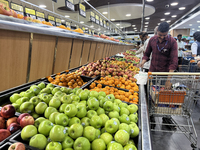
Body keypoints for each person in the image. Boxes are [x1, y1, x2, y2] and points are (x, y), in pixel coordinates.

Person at [138, 22, 178, 89]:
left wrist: (168, 80)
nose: (162, 37)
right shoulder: (152, 40)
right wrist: (143, 62)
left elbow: (174, 62)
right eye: (160, 35)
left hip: (165, 74)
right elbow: (147, 54)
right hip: (152, 71)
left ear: (168, 32)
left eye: (164, 35)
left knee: (162, 93)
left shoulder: (172, 42)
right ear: (157, 31)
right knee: (150, 90)